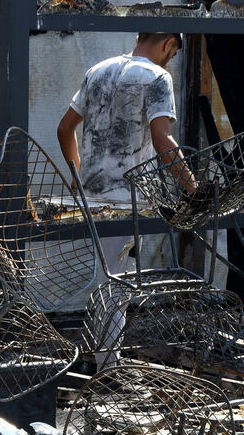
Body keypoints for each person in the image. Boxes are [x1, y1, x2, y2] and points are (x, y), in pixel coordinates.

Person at [57, 31, 193, 279]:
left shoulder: (97, 71)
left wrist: (77, 174)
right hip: (126, 202)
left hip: (91, 199)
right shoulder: (158, 77)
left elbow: (65, 129)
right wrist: (194, 188)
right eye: (171, 55)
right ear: (169, 44)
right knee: (117, 288)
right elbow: (163, 141)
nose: (169, 61)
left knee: (106, 280)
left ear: (138, 38)